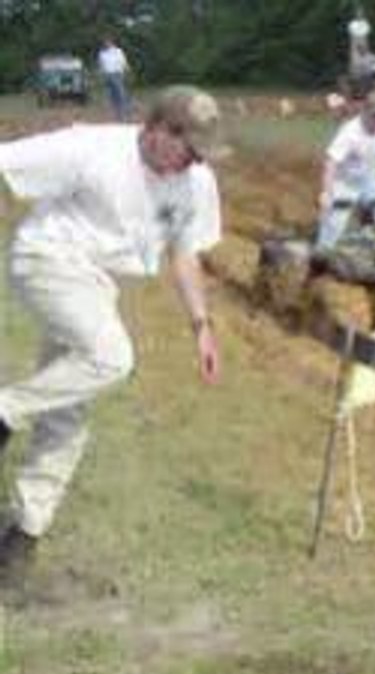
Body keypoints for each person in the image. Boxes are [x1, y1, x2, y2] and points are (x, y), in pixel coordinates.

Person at [0, 85, 224, 585]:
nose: (194, 164)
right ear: (160, 130)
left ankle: (22, 537)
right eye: (188, 150)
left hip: (97, 285)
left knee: (68, 412)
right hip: (48, 260)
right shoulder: (91, 147)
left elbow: (184, 254)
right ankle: (5, 411)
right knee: (110, 358)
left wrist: (201, 328)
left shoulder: (196, 182)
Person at [314, 91, 375, 255]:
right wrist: (326, 192)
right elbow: (331, 162)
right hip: (344, 182)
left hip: (370, 181)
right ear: (365, 113)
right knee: (334, 225)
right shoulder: (350, 131)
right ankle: (321, 256)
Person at [97, 36, 132, 121]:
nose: (106, 43)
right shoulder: (102, 53)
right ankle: (117, 113)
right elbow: (101, 65)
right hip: (107, 75)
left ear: (112, 42)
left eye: (108, 42)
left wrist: (127, 69)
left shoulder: (118, 51)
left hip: (117, 74)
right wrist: (101, 74)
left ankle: (125, 112)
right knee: (112, 96)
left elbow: (123, 61)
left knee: (121, 93)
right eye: (105, 42)